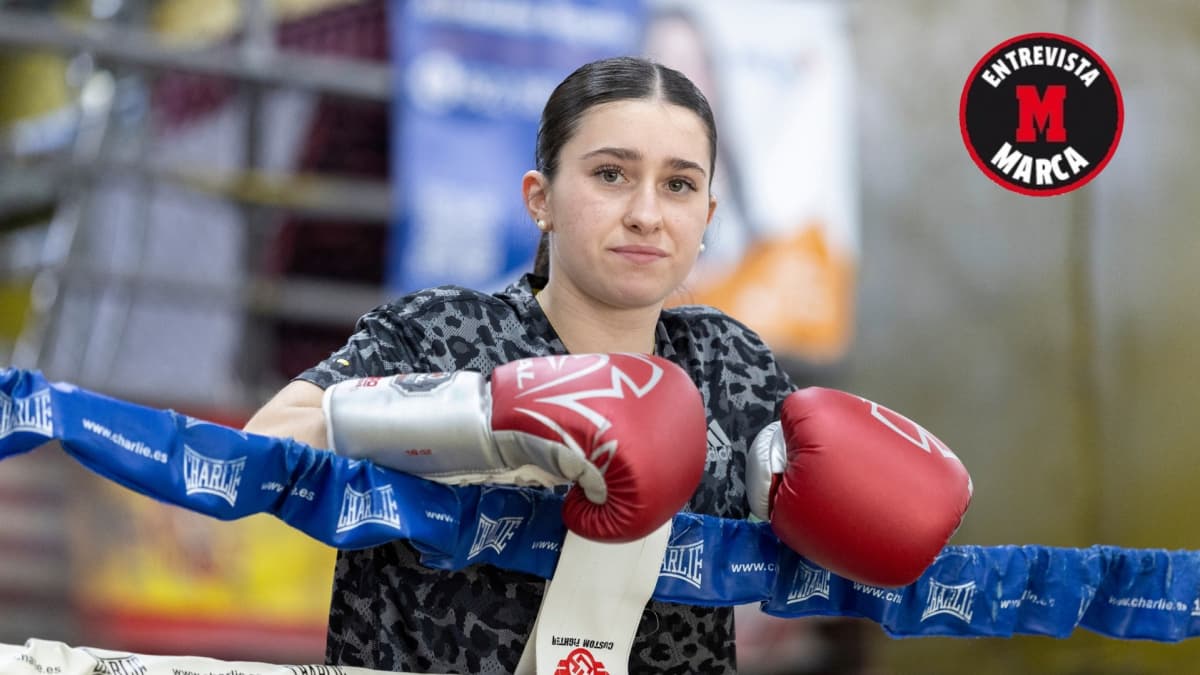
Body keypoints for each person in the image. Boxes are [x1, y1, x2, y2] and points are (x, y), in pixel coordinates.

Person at [244, 56, 798, 673]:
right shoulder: (446, 333)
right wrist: (479, 421)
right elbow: (266, 442)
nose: (647, 213)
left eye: (678, 185)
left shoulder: (730, 364)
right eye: (611, 174)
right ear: (541, 199)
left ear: (706, 219)